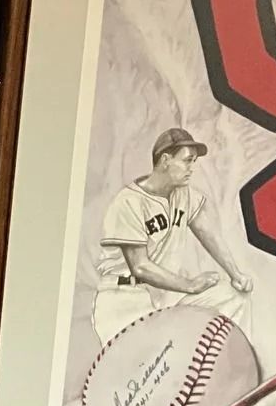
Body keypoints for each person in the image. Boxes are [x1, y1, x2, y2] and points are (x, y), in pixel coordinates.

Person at [90, 127, 254, 347]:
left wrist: (235, 273)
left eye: (193, 162)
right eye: (187, 161)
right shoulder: (128, 202)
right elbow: (140, 267)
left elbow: (207, 233)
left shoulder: (182, 194)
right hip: (123, 301)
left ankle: (225, 372)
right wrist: (190, 285)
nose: (191, 168)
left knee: (233, 296)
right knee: (144, 373)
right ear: (166, 160)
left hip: (163, 299)